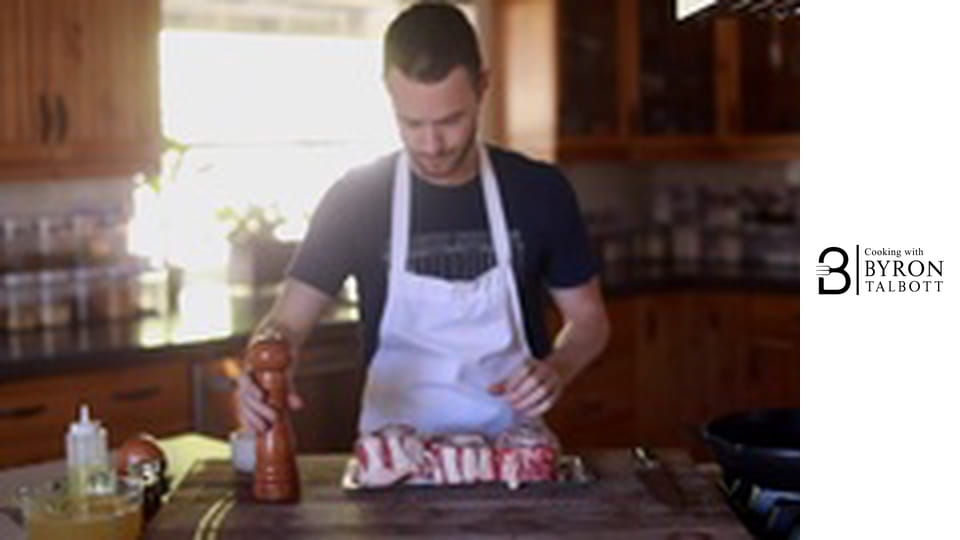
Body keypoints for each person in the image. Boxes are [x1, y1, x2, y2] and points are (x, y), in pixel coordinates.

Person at [237, 2, 610, 438]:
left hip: (512, 450)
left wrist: (558, 368)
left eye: (451, 121)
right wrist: (261, 361)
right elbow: (286, 322)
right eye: (411, 123)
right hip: (393, 454)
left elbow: (589, 321)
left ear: (483, 86)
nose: (431, 145)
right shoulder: (356, 198)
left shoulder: (539, 190)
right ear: (388, 93)